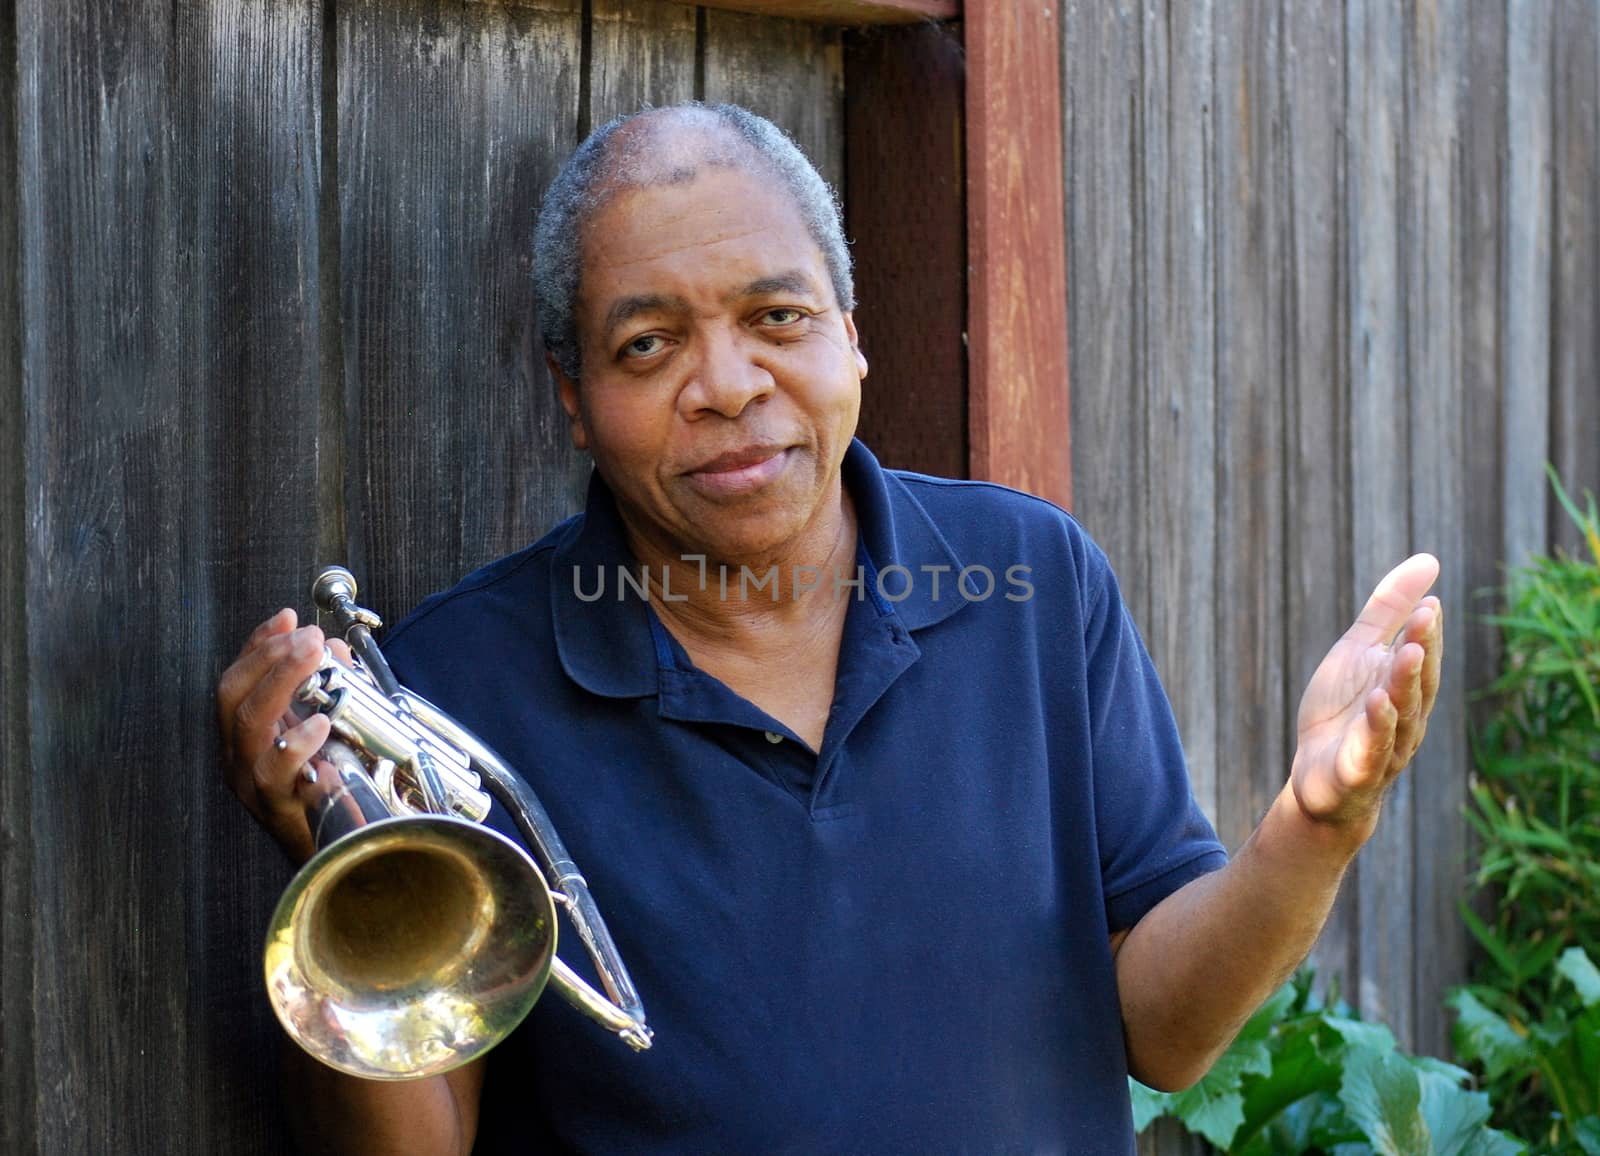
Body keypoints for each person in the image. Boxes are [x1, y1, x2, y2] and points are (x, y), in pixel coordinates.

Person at [218, 103, 1443, 1155]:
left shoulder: (1032, 578)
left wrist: (1313, 826)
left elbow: (1166, 1036)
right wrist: (338, 864)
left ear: (852, 333)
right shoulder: (450, 691)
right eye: (649, 345)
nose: (730, 385)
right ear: (573, 399)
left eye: (778, 318)